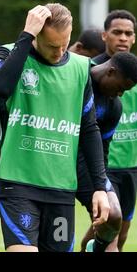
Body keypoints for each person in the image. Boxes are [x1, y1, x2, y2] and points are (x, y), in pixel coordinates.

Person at [0, 3, 110, 252]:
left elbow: (89, 129)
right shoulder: (8, 54)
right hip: (17, 184)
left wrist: (99, 187)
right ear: (35, 37)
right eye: (52, 46)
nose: (59, 52)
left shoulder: (79, 68)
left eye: (64, 44)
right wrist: (26, 36)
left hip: (61, 189)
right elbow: (0, 88)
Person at [76, 52, 137, 252]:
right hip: (54, 157)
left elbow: (102, 148)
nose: (120, 94)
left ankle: (96, 247)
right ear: (111, 71)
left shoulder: (113, 106)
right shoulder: (76, 75)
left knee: (113, 215)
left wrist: (101, 183)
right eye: (121, 88)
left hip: (85, 163)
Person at [90, 10, 137, 251]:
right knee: (112, 237)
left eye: (128, 33)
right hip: (104, 168)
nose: (123, 38)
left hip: (131, 168)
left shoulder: (133, 75)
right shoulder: (89, 71)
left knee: (119, 232)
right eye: (117, 32)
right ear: (104, 35)